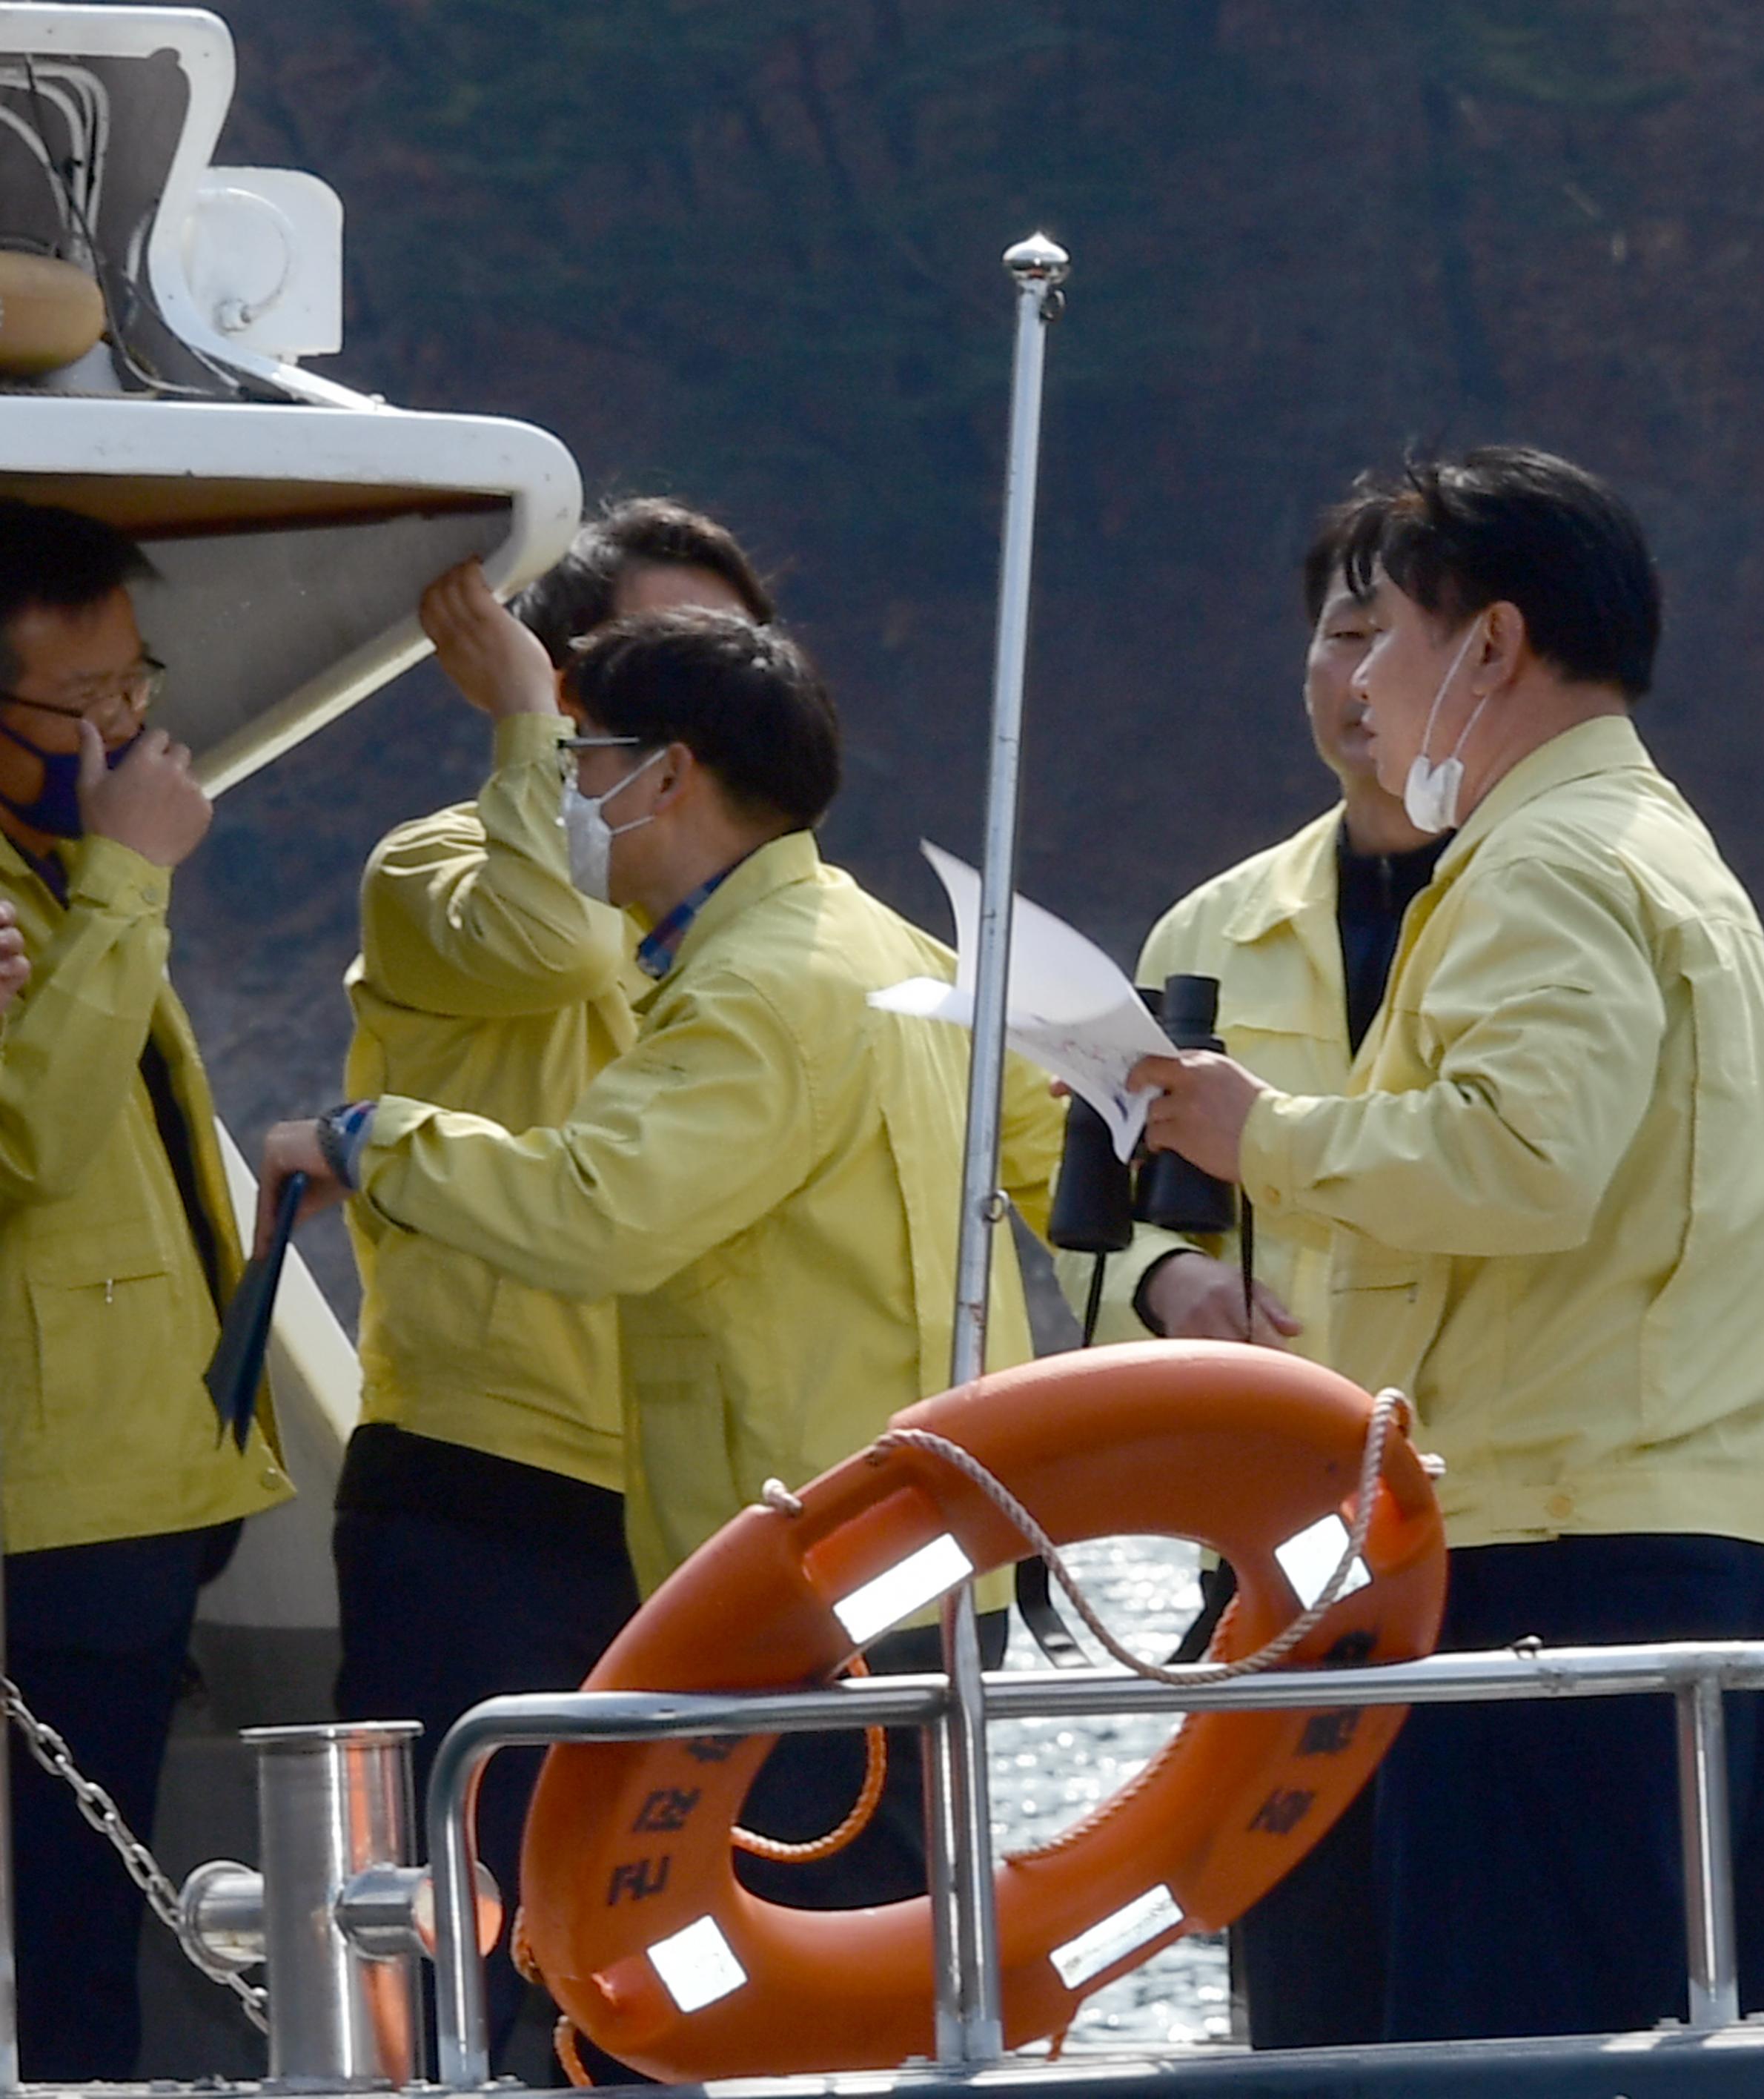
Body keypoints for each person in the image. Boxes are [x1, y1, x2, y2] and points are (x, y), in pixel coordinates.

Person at [1135, 446, 1764, 2042]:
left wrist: (1256, 1135)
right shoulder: (1658, 850)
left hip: (1547, 1574)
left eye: (1382, 637)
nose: (1360, 690)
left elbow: (1523, 1155)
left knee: (1501, 2046)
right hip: (1672, 1550)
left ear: (1487, 647)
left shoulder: (1540, 862)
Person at [261, 600, 1061, 1953]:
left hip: (800, 1578)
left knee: (803, 1956)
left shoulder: (757, 991)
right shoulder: (890, 949)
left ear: (666, 773)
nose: (570, 796)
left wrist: (371, 1139)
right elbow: (1047, 1139)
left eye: (581, 764)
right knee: (898, 1967)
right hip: (917, 1555)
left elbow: (600, 1211)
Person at [330, 498, 775, 2066]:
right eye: (630, 674)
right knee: (474, 1971)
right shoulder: (438, 868)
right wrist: (531, 731)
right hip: (484, 1489)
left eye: (721, 667)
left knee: (674, 1962)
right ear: (551, 675)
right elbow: (558, 940)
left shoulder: (777, 925)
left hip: (691, 1503)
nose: (679, 710)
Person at [1057, 510, 1445, 2048]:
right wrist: (1169, 1288)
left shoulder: (1554, 893)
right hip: (1278, 1542)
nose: (1357, 675)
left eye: (1392, 634)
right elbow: (1106, 1212)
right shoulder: (1211, 930)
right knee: (1304, 1983)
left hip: (1494, 1516)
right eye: (1336, 634)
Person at [0, 499, 291, 2077]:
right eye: (83, 702)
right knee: (68, 1923)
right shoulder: (81, 882)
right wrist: (127, 884)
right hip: (56, 1502)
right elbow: (30, 1138)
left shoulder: (59, 872)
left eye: (135, 686)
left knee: (91, 1905)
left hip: (135, 1479)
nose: (125, 727)